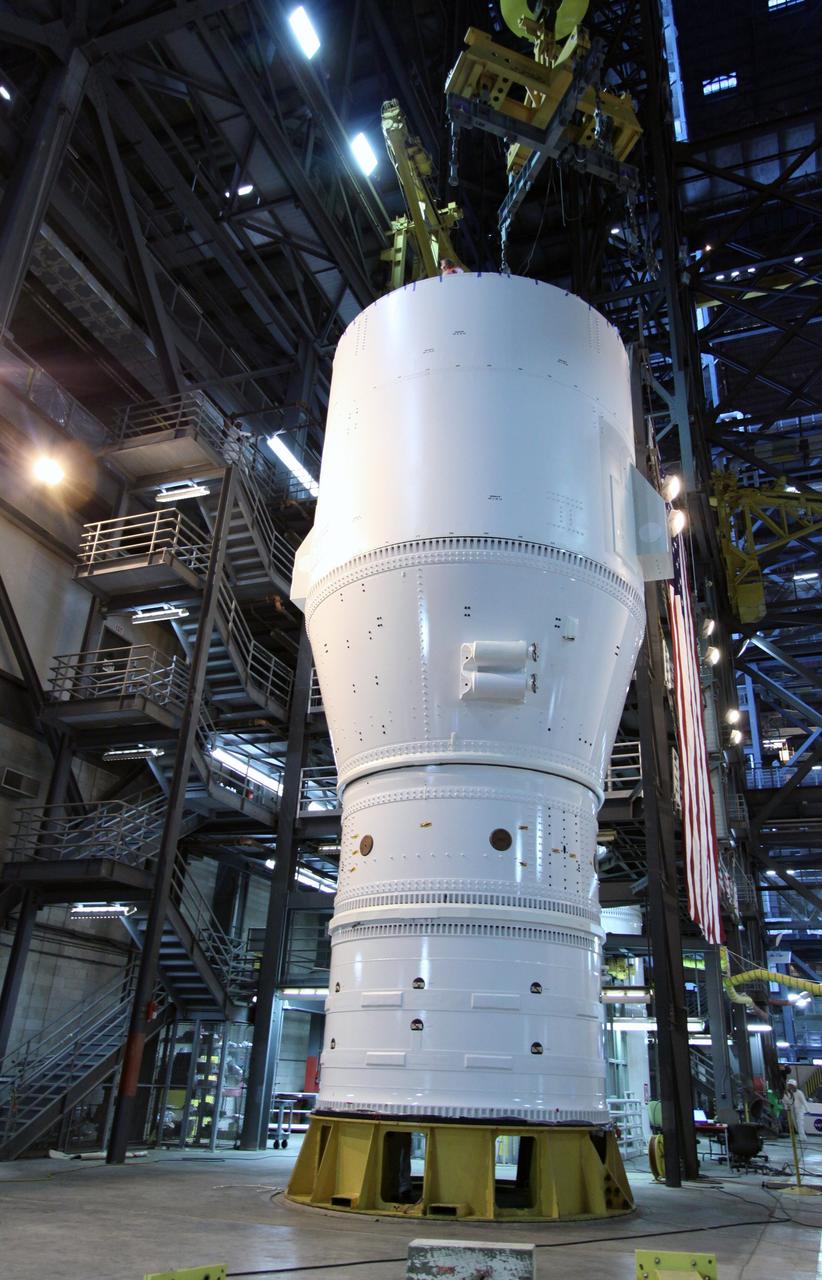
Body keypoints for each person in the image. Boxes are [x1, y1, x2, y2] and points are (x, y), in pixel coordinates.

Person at [783, 1077, 809, 1155]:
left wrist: (807, 1109)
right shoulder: (787, 1093)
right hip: (792, 1110)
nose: (790, 1086)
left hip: (799, 1110)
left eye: (791, 1085)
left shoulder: (799, 1092)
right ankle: (802, 1136)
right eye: (789, 1085)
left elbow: (803, 1101)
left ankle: (802, 1137)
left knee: (800, 1122)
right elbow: (786, 1101)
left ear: (794, 1086)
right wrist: (785, 1107)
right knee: (795, 1123)